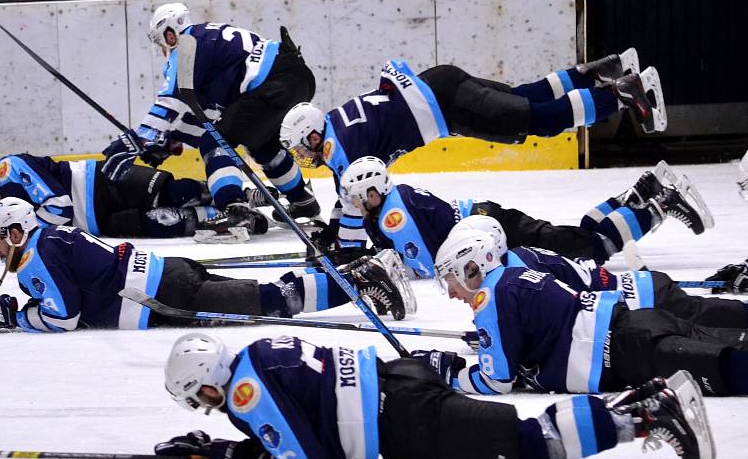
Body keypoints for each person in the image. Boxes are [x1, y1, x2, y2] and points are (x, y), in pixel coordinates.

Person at [151, 333, 714, 459]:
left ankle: (644, 417)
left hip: (400, 421)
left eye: (199, 397)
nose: (206, 408)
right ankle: (633, 405)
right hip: (398, 388)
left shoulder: (245, 394)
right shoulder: (257, 356)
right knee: (516, 430)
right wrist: (230, 450)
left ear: (206, 379)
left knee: (520, 446)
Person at [279, 51, 667, 246]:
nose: (302, 155)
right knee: (523, 98)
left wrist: (343, 247)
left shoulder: (338, 148)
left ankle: (619, 96)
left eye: (300, 147)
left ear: (314, 136)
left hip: (448, 107)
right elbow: (345, 193)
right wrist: (332, 229)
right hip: (441, 83)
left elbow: (352, 200)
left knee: (540, 121)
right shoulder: (335, 125)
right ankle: (598, 70)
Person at [0, 197, 414, 333]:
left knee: (271, 301)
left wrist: (19, 316)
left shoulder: (34, 256)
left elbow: (63, 317)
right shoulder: (51, 236)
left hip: (164, 296)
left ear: (14, 231)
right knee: (266, 294)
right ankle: (357, 279)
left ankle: (363, 281)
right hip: (170, 273)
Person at [417, 226, 748, 397]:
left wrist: (450, 373)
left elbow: (497, 381)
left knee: (729, 367)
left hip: (625, 351)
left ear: (472, 267)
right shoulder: (514, 273)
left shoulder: (490, 297)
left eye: (451, 278)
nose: (451, 292)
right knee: (731, 340)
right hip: (634, 323)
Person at [112, 2, 319, 234]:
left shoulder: (186, 46)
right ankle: (303, 200)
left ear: (170, 34)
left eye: (162, 41)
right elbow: (208, 114)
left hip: (271, 87)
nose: (164, 49)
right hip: (297, 77)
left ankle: (234, 210)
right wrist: (173, 138)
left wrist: (144, 139)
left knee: (214, 142)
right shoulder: (210, 38)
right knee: (262, 144)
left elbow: (169, 101)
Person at [336, 156, 710, 273]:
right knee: (578, 236)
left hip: (493, 230)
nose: (355, 204)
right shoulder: (391, 202)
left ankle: (659, 206)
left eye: (357, 197)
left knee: (589, 250)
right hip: (489, 222)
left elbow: (424, 264)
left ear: (372, 189)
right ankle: (638, 193)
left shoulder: (391, 215)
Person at [460, 215, 747, 328]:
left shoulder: (518, 267)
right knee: (708, 322)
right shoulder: (518, 259)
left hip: (640, 298)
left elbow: (562, 308)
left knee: (711, 318)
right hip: (638, 292)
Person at [0, 147, 218, 238]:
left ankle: (235, 196)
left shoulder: (10, 167)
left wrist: (27, 225)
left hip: (97, 182)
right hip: (95, 224)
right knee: (166, 222)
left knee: (172, 192)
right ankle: (218, 218)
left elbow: (60, 206)